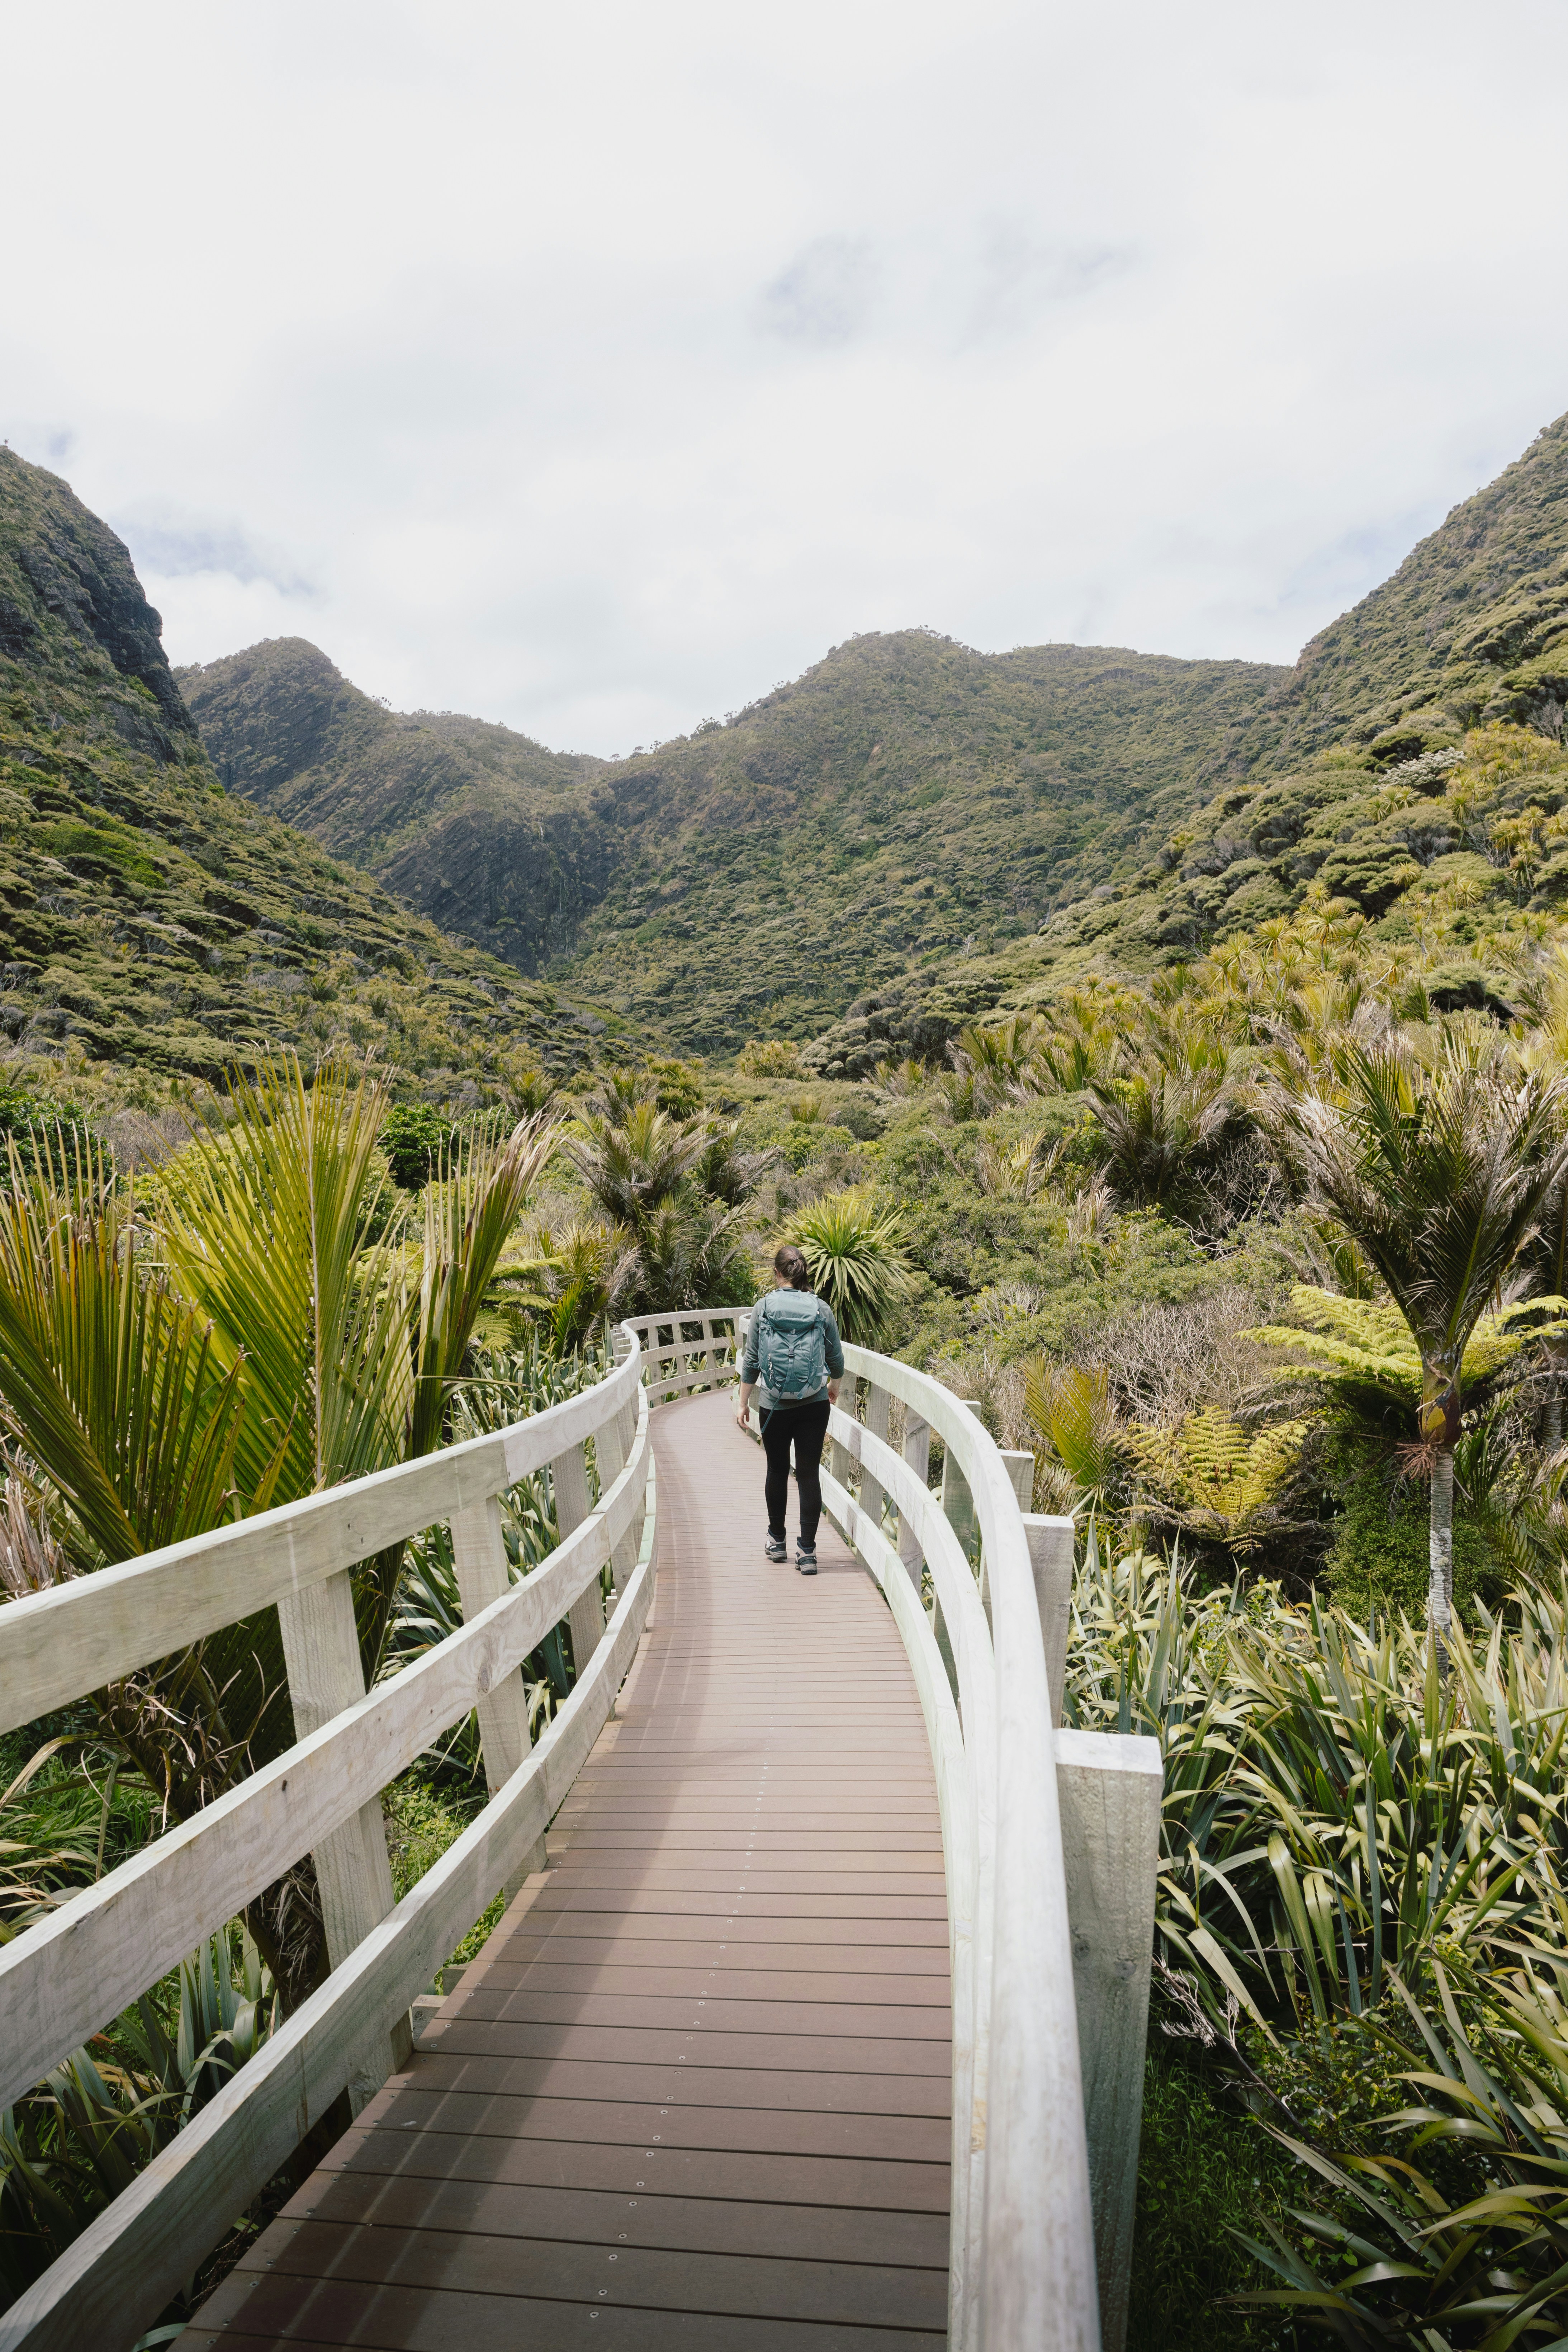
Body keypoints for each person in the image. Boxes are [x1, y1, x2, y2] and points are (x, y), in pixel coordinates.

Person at [735, 1245, 845, 1574]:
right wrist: (833, 1387)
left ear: (777, 1273)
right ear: (803, 1274)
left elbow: (752, 1360)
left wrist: (742, 1402)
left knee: (777, 1470)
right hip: (813, 1403)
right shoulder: (820, 1309)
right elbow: (836, 1359)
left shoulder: (763, 1308)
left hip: (773, 1404)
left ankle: (777, 1540)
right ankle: (808, 1552)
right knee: (809, 1473)